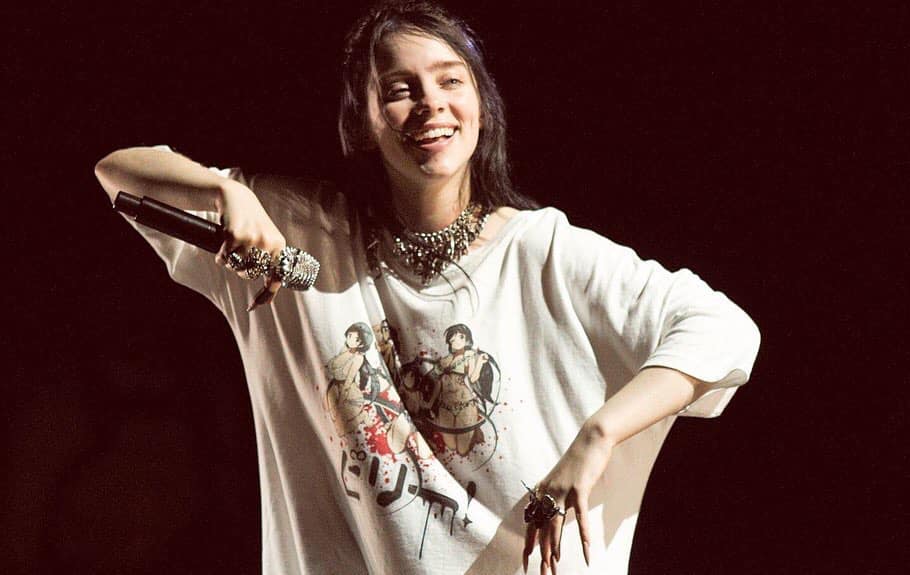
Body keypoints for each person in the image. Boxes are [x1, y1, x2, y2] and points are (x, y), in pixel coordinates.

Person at [94, 1, 760, 573]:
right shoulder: (300, 239)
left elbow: (723, 329)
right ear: (362, 121)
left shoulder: (542, 251)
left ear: (482, 107)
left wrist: (597, 436)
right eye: (400, 88)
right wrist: (224, 190)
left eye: (451, 80)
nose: (431, 103)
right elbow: (116, 171)